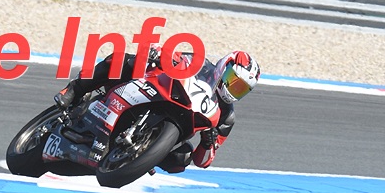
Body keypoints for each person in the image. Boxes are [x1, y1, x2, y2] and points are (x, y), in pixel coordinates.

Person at [54, 48, 260, 174]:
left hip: (178, 127)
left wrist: (208, 141)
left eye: (241, 89)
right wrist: (158, 54)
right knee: (124, 60)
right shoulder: (201, 65)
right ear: (224, 68)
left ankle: (141, 154)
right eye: (234, 81)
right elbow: (173, 56)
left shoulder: (226, 118)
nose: (234, 91)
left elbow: (203, 161)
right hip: (161, 95)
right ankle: (75, 89)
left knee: (182, 159)